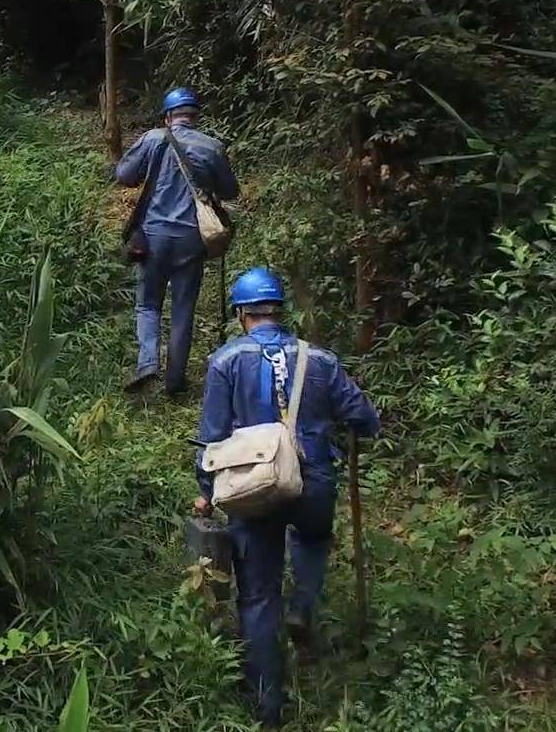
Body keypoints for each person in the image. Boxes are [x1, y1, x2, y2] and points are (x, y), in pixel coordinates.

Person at [193, 267, 380, 727]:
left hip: (253, 486)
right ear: (279, 310)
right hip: (313, 479)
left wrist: (206, 493)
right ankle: (302, 607)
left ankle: (267, 707)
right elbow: (364, 419)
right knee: (314, 540)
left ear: (242, 314)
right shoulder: (320, 360)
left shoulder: (225, 362)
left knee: (257, 595)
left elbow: (212, 439)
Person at [112, 87, 239, 395]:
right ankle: (175, 382)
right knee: (183, 308)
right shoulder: (212, 146)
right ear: (195, 117)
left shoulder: (154, 138)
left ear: (168, 116)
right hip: (192, 238)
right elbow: (230, 191)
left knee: (147, 304)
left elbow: (125, 175)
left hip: (153, 236)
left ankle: (147, 363)